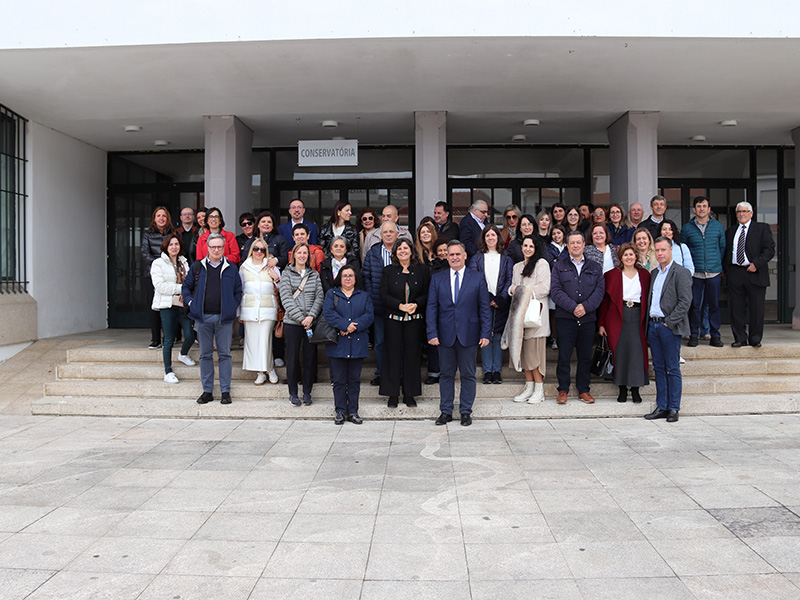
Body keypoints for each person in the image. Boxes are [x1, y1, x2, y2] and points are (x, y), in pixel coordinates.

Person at [427, 240, 491, 427]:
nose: (454, 257)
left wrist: (485, 333)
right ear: (446, 257)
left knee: (468, 374)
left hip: (469, 334)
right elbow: (431, 308)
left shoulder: (477, 277)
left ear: (465, 256)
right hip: (444, 334)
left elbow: (484, 308)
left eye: (457, 254)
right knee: (446, 374)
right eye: (450, 254)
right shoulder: (437, 278)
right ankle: (445, 411)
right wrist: (432, 332)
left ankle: (465, 411)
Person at [182, 232, 243, 405]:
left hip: (224, 319)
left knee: (225, 355)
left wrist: (233, 304)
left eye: (219, 247)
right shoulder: (197, 267)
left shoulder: (231, 268)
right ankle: (207, 391)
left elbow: (238, 290)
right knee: (205, 355)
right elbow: (186, 288)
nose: (216, 250)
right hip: (202, 318)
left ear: (224, 248)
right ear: (207, 248)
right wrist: (191, 303)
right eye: (213, 246)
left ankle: (225, 391)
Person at [550, 230, 605, 404]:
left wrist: (585, 307)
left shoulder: (595, 267)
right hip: (565, 319)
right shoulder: (559, 266)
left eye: (578, 242)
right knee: (564, 356)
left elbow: (599, 291)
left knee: (584, 357)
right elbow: (555, 291)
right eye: (572, 243)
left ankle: (583, 390)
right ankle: (563, 390)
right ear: (567, 245)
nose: (575, 245)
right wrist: (573, 307)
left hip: (587, 319)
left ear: (583, 245)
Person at [644, 237, 692, 422]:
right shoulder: (655, 273)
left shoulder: (681, 272)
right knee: (659, 368)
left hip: (669, 326)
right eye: (657, 250)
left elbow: (685, 301)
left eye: (663, 249)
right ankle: (662, 406)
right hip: (654, 325)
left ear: (671, 250)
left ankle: (673, 408)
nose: (660, 253)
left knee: (672, 368)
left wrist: (669, 322)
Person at [379, 238, 430, 407]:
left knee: (412, 356)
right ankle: (392, 394)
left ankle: (410, 394)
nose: (402, 251)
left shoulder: (422, 270)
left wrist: (416, 304)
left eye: (405, 248)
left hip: (414, 320)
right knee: (392, 355)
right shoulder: (388, 270)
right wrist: (400, 306)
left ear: (411, 251)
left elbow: (427, 293)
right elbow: (384, 295)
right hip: (394, 319)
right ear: (395, 253)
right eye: (399, 248)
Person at [598, 242, 650, 404]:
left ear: (636, 256)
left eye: (631, 254)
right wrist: (601, 323)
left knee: (636, 352)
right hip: (615, 316)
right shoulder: (611, 275)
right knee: (619, 350)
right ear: (620, 257)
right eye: (625, 255)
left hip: (637, 316)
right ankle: (621, 388)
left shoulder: (645, 275)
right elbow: (605, 302)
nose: (628, 257)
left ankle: (635, 389)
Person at [324, 264, 374, 425]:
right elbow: (329, 313)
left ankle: (353, 411)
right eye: (344, 275)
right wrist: (345, 325)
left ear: (355, 278)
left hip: (357, 343)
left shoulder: (364, 295)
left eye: (350, 275)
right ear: (340, 278)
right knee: (338, 380)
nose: (347, 278)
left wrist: (353, 326)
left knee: (354, 380)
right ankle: (339, 411)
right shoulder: (332, 294)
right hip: (338, 343)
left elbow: (369, 315)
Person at [723, 201, 775, 348]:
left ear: (751, 213)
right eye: (739, 212)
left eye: (745, 211)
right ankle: (739, 338)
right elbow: (727, 252)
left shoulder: (762, 228)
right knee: (736, 308)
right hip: (736, 273)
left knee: (757, 308)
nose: (742, 214)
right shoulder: (731, 231)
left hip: (755, 272)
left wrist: (756, 264)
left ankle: (755, 339)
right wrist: (728, 270)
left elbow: (769, 250)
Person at [507, 236, 551, 403]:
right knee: (523, 353)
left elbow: (545, 288)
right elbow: (512, 286)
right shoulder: (518, 266)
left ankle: (539, 389)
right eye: (525, 245)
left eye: (531, 246)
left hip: (535, 317)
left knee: (535, 355)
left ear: (536, 248)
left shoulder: (541, 264)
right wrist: (516, 290)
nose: (527, 248)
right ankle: (529, 386)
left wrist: (522, 291)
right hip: (519, 316)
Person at [279, 242, 324, 406]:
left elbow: (319, 297)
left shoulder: (314, 275)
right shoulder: (286, 274)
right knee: (292, 358)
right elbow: (286, 299)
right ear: (294, 255)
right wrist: (301, 318)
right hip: (293, 323)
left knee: (310, 358)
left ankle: (307, 392)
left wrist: (311, 316)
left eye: (305, 253)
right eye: (299, 253)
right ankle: (293, 393)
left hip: (310, 323)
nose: (302, 255)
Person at [468, 224, 512, 384]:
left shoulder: (506, 258)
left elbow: (509, 279)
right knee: (486, 335)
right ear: (484, 238)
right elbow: (474, 279)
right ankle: (488, 371)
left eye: (494, 235)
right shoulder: (477, 258)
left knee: (498, 335)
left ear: (498, 238)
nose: (491, 238)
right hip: (483, 303)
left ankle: (497, 371)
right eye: (488, 236)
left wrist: (500, 299)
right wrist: (486, 299)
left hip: (501, 302)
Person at [150, 234, 196, 383]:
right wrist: (182, 289)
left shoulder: (184, 262)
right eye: (171, 244)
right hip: (167, 305)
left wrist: (186, 292)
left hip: (182, 305)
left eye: (176, 244)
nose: (174, 247)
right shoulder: (158, 263)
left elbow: (191, 282)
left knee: (190, 335)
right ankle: (168, 371)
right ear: (165, 246)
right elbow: (160, 286)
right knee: (169, 339)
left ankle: (183, 354)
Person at [682, 195, 726, 347]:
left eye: (704, 206)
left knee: (714, 305)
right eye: (699, 206)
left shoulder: (718, 227)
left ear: (709, 209)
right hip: (696, 273)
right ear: (694, 209)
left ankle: (715, 335)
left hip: (713, 272)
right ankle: (694, 334)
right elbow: (684, 250)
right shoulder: (687, 228)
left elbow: (722, 248)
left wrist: (716, 264)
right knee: (694, 305)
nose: (701, 209)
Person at [239, 239, 281, 386]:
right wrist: (239, 312)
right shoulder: (244, 267)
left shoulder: (271, 266)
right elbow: (240, 289)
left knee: (264, 340)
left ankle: (269, 370)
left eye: (262, 250)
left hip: (268, 308)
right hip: (249, 309)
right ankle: (262, 372)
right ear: (252, 250)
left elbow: (282, 287)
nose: (259, 252)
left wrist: (276, 278)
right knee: (253, 341)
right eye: (256, 249)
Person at [363, 221, 399, 386]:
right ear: (381, 235)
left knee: (399, 342)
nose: (389, 234)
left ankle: (398, 373)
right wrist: (371, 297)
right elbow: (367, 277)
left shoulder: (403, 250)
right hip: (378, 305)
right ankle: (381, 372)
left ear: (397, 234)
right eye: (385, 232)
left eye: (391, 231)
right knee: (379, 341)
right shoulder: (373, 252)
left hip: (400, 306)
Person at [141, 206, 175, 349]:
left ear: (167, 219)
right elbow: (144, 253)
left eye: (164, 216)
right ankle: (156, 339)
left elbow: (176, 251)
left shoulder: (172, 234)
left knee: (170, 305)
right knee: (154, 306)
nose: (161, 218)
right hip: (152, 274)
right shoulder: (147, 234)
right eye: (158, 216)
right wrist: (159, 264)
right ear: (154, 219)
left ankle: (170, 337)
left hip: (170, 275)